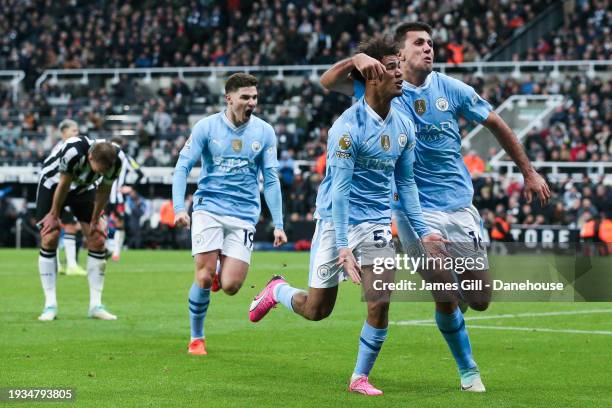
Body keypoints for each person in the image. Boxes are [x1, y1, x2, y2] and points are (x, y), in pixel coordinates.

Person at [319, 21, 551, 392]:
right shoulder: (380, 85)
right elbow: (329, 82)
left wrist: (529, 172)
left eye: (431, 43)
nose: (429, 48)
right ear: (400, 53)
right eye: (419, 43)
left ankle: (449, 311)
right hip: (414, 209)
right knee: (443, 286)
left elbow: (496, 123)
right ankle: (469, 371)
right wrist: (357, 58)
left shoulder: (452, 89)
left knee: (478, 299)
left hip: (459, 206)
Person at [249, 37, 445, 396]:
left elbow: (407, 183)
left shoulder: (404, 125)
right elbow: (339, 191)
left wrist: (425, 231)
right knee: (316, 310)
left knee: (380, 299)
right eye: (391, 66)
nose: (400, 72)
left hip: (375, 223)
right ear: (371, 76)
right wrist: (342, 246)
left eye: (400, 64)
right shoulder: (346, 127)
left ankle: (359, 377)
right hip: (336, 222)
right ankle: (277, 291)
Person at [172, 73, 287, 356]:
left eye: (255, 98)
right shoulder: (206, 127)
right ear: (230, 98)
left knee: (232, 286)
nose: (251, 103)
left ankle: (219, 271)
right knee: (202, 277)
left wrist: (279, 224)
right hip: (208, 208)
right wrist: (178, 208)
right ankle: (196, 337)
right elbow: (182, 166)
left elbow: (270, 179)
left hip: (244, 214)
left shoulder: (264, 132)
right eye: (246, 97)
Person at [36, 136, 125, 321]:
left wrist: (96, 218)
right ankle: (50, 304)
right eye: (99, 170)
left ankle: (96, 305)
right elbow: (64, 183)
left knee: (98, 238)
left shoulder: (116, 159)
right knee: (50, 237)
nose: (102, 173)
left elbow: (104, 189)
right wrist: (53, 214)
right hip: (53, 185)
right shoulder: (73, 150)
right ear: (90, 157)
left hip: (84, 188)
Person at [51, 120, 87, 276]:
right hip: (57, 190)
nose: (76, 134)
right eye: (73, 130)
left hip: (68, 191)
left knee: (69, 225)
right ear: (63, 132)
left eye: (77, 131)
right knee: (59, 227)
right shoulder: (62, 148)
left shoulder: (73, 148)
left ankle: (69, 265)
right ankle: (61, 264)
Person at [108, 137, 145, 261]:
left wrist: (130, 188)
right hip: (105, 196)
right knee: (102, 222)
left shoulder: (127, 159)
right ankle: (106, 248)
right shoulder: (104, 156)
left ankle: (116, 252)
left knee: (119, 224)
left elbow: (140, 174)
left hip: (117, 198)